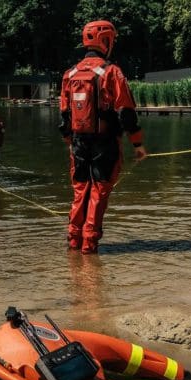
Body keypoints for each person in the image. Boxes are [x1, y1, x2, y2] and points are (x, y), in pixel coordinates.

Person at [59, 20, 147, 254]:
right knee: (98, 192)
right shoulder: (111, 72)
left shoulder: (70, 74)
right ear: (106, 41)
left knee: (80, 190)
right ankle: (89, 245)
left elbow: (64, 114)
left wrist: (70, 141)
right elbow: (126, 112)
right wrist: (137, 144)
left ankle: (73, 240)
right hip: (104, 143)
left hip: (78, 143)